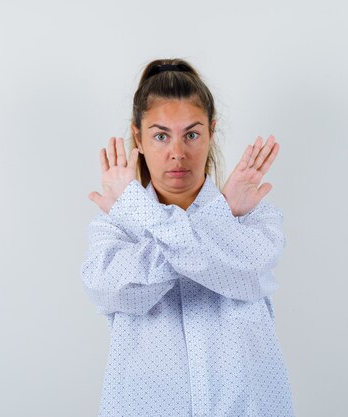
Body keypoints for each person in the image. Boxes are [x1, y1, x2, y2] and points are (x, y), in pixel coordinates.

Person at [80, 58, 295, 417]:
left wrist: (146, 213)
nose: (177, 153)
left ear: (211, 131)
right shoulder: (116, 224)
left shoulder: (254, 212)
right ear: (139, 138)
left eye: (191, 134)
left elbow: (242, 274)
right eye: (161, 135)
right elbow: (115, 291)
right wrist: (216, 225)